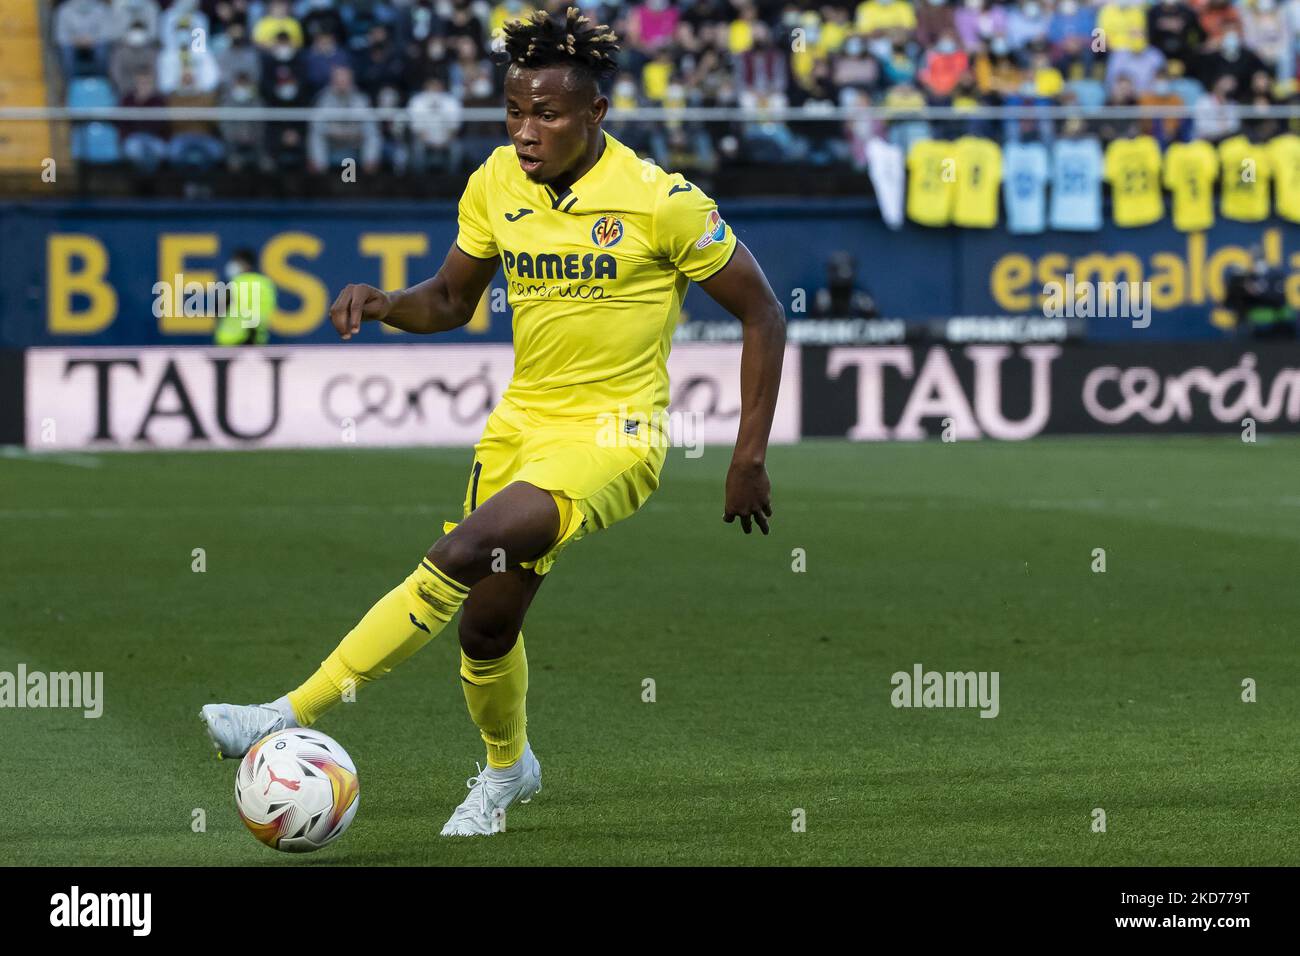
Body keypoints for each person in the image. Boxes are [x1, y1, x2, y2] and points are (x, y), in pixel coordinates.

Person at [200, 7, 786, 837]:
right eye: (514, 111)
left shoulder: (663, 202)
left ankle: (284, 709)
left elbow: (763, 313)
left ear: (596, 114)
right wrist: (387, 301)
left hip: (614, 437)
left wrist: (747, 454)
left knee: (459, 551)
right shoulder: (494, 184)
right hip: (520, 428)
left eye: (546, 113)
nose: (526, 130)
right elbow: (450, 298)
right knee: (485, 623)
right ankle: (509, 772)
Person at [213, 248, 275, 345]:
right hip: (256, 342)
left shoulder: (233, 284)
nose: (232, 265)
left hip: (230, 344)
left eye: (236, 261)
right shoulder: (266, 284)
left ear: (246, 264)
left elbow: (218, 311)